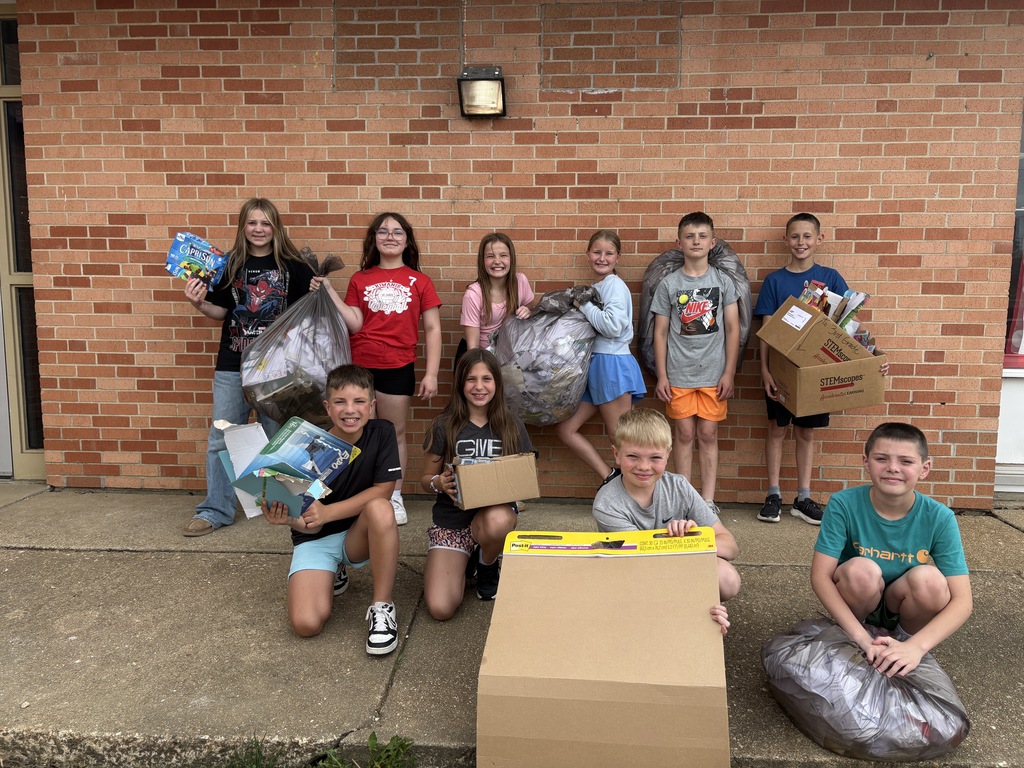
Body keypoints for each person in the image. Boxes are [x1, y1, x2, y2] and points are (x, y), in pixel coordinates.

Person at [182, 197, 361, 537]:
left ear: (275, 227)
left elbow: (311, 312)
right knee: (221, 437)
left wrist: (316, 290)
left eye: (266, 223)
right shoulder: (228, 265)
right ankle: (215, 510)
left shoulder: (294, 266)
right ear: (243, 227)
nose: (259, 229)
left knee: (280, 438)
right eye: (253, 223)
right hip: (233, 363)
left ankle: (283, 506)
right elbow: (221, 312)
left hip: (278, 371)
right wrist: (199, 303)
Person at [810, 422, 972, 677]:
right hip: (859, 605)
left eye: (906, 461)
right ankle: (857, 636)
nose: (893, 468)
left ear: (924, 468)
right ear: (866, 461)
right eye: (881, 458)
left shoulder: (940, 517)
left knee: (930, 580)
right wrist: (861, 638)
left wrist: (915, 647)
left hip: (904, 607)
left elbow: (963, 601)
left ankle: (901, 644)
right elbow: (820, 576)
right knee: (861, 571)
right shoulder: (843, 504)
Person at [262, 364, 403, 655]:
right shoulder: (306, 447)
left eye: (359, 401)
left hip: (358, 533)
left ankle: (382, 607)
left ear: (372, 405)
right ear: (328, 407)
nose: (349, 410)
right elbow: (305, 518)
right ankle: (333, 569)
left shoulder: (382, 433)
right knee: (306, 624)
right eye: (340, 401)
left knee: (380, 508)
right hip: (316, 538)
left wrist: (328, 512)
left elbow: (384, 491)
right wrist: (288, 517)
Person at [592, 408, 740, 634]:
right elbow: (645, 564)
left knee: (728, 578)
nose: (644, 466)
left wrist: (694, 539)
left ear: (667, 455)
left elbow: (730, 546)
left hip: (675, 566)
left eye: (655, 457)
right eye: (633, 456)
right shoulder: (607, 503)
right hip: (630, 576)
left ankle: (697, 614)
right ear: (617, 454)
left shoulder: (678, 486)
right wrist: (678, 544)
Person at [345, 212, 442, 526]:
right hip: (360, 366)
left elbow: (433, 329)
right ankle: (364, 495)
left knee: (394, 433)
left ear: (407, 240)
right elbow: (354, 322)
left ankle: (394, 496)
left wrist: (430, 373)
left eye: (397, 232)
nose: (390, 236)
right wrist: (329, 296)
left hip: (398, 365)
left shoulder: (420, 280)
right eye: (383, 231)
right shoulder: (359, 279)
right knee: (360, 433)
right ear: (373, 238)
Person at [419, 348, 531, 620]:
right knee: (440, 608)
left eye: (486, 379)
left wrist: (513, 492)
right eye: (471, 379)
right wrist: (439, 482)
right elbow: (424, 480)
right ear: (460, 384)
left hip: (490, 516)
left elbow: (523, 477)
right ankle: (466, 557)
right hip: (452, 520)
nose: (479, 387)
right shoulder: (444, 425)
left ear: (497, 383)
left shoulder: (511, 425)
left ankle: (487, 564)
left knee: (499, 519)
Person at [753, 212, 849, 525]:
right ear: (786, 240)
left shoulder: (831, 278)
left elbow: (844, 328)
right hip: (780, 370)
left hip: (814, 371)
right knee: (777, 430)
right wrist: (764, 371)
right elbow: (766, 329)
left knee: (806, 433)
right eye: (795, 236)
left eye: (807, 236)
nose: (801, 242)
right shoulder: (775, 281)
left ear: (819, 239)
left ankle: (803, 497)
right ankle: (773, 494)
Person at [651, 212, 739, 515]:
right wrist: (661, 375)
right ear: (679, 243)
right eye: (690, 236)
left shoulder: (723, 281)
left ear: (712, 242)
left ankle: (708, 500)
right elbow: (660, 332)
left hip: (714, 374)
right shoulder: (669, 284)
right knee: (684, 435)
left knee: (708, 434)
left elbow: (733, 328)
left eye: (702, 236)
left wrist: (729, 371)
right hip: (678, 373)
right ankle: (684, 499)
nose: (696, 241)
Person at [554, 230, 647, 484]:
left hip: (612, 364)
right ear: (587, 255)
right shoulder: (599, 287)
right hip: (595, 366)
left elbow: (613, 326)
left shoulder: (614, 285)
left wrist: (583, 305)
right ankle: (610, 477)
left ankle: (637, 494)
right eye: (597, 252)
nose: (602, 258)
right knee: (566, 429)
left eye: (608, 253)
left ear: (618, 257)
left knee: (621, 439)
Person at [459, 232, 536, 360]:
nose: (497, 261)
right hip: (485, 356)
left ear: (511, 258)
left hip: (514, 354)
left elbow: (531, 308)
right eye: (490, 256)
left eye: (503, 255)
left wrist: (527, 310)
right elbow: (472, 347)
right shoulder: (473, 294)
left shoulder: (520, 281)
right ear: (482, 261)